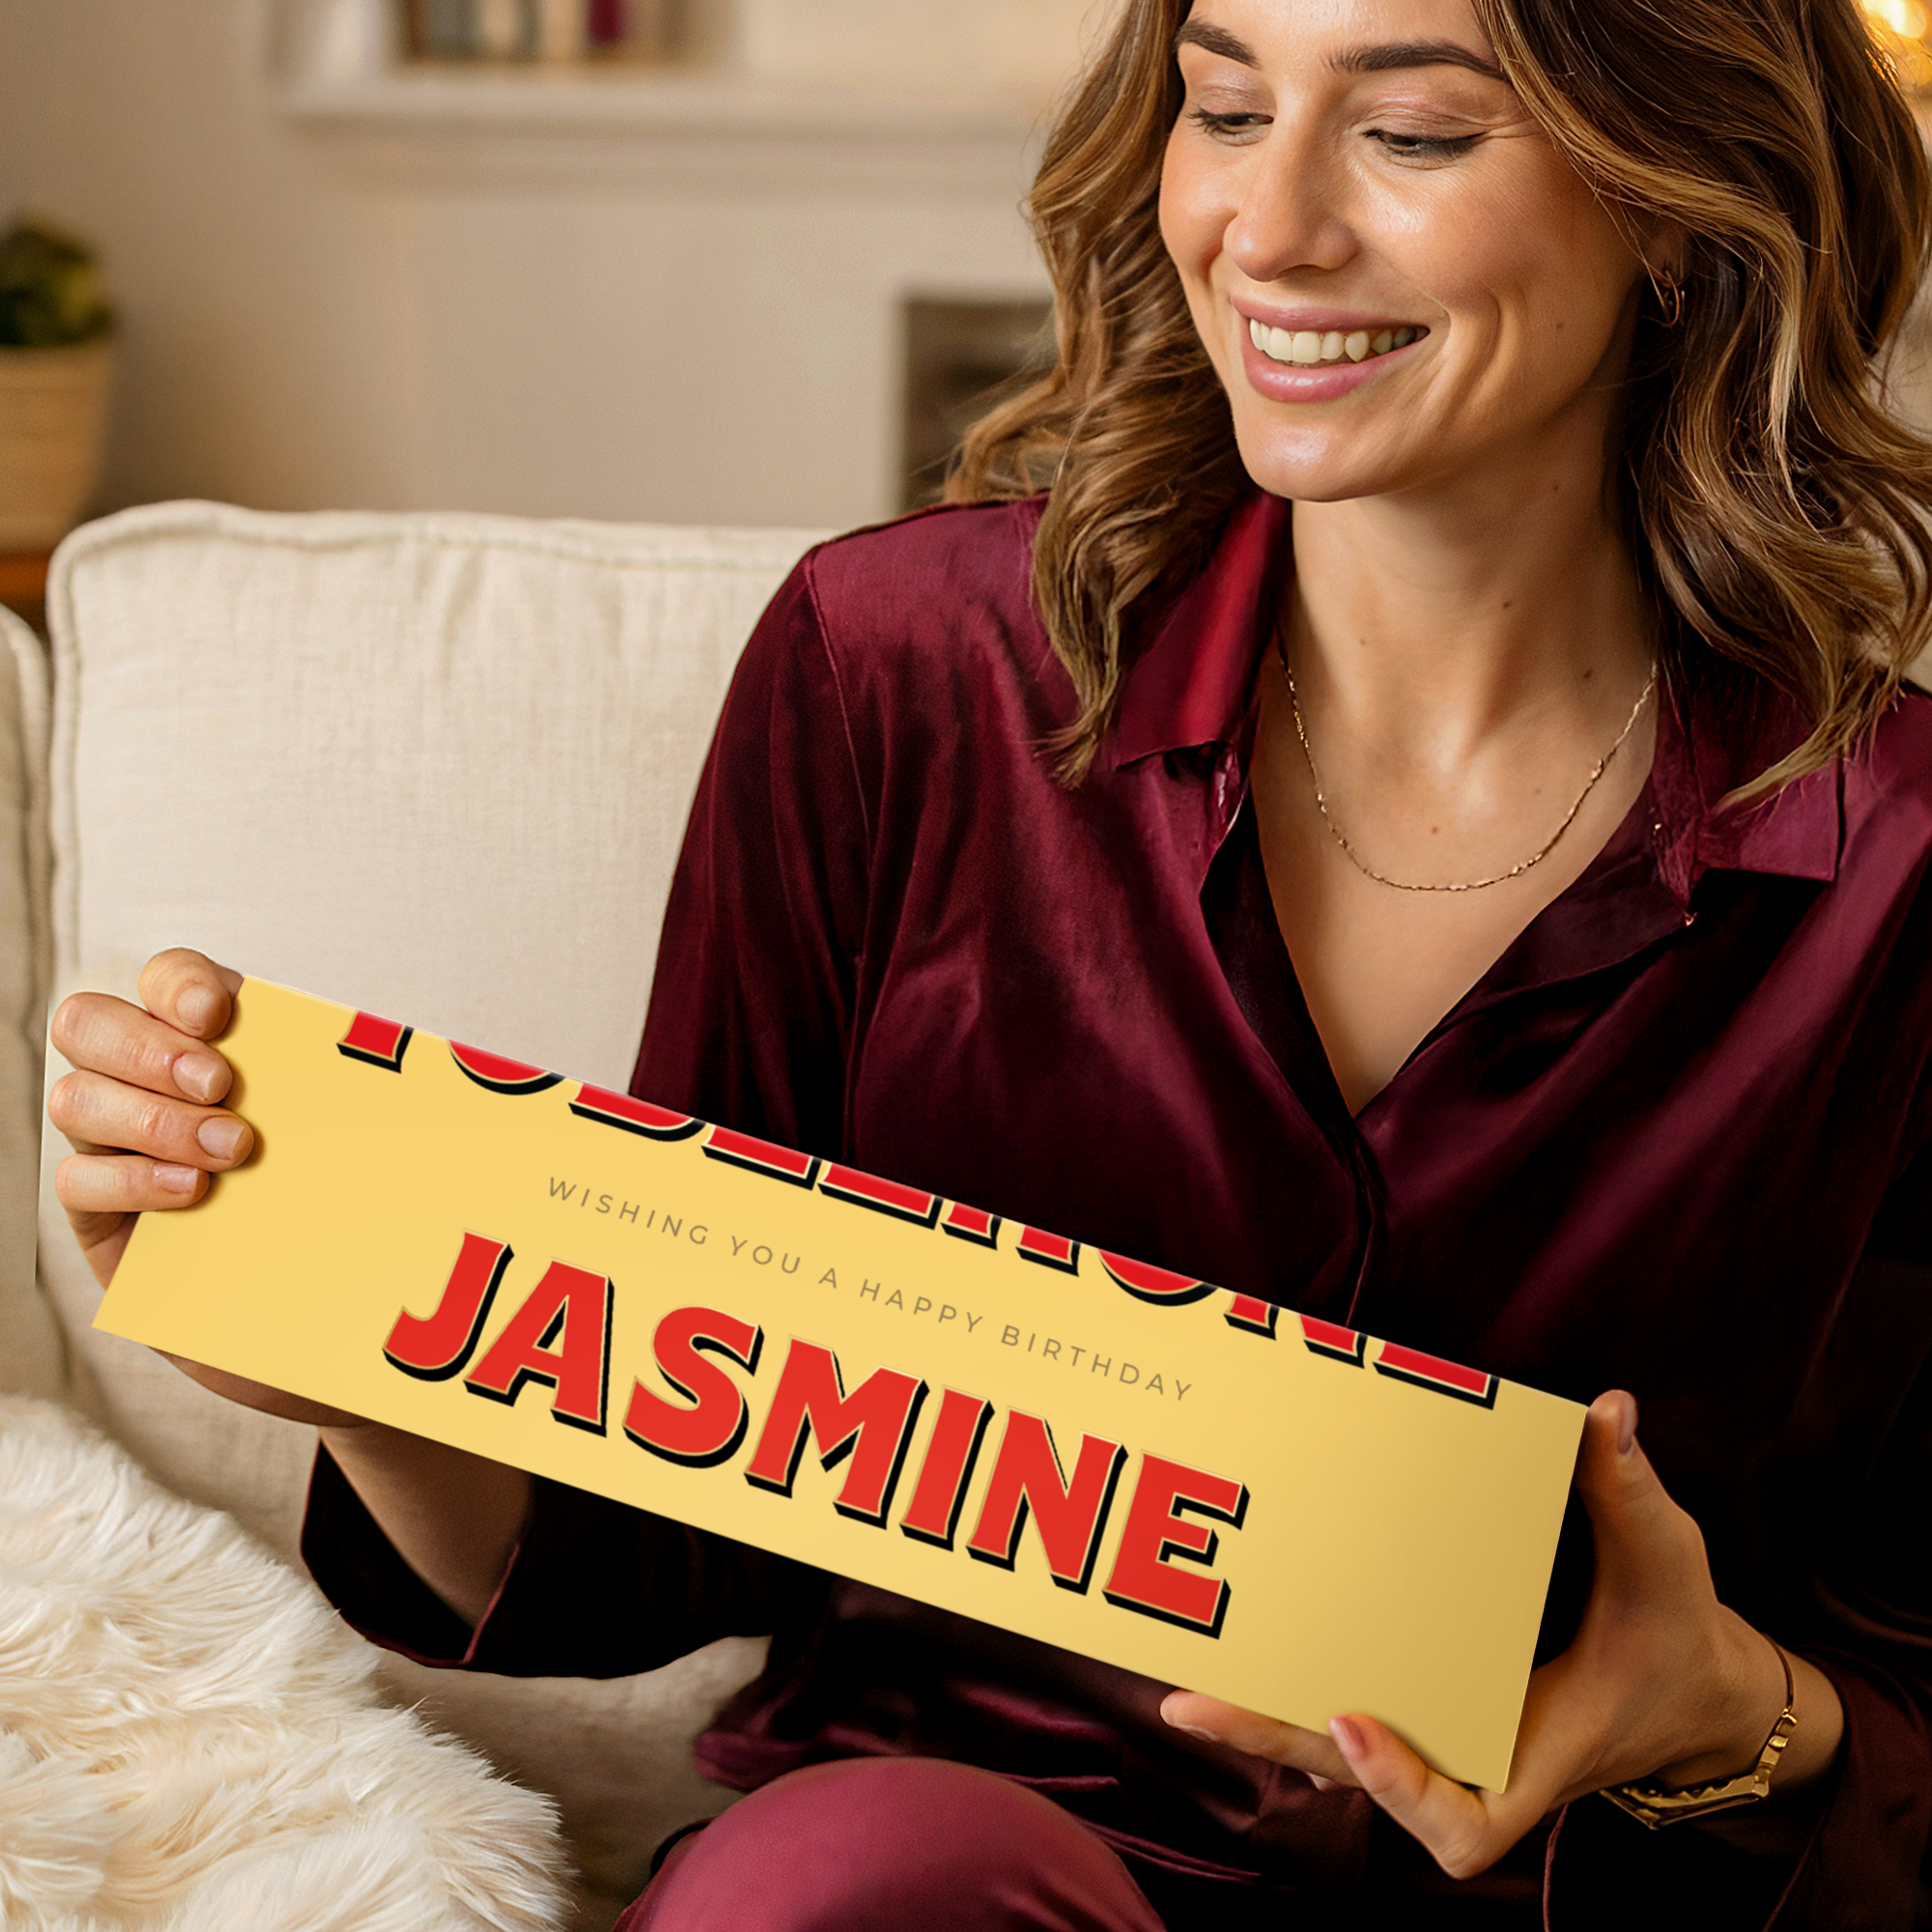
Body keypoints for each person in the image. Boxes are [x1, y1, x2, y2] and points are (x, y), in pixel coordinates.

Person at [46, 0, 1932, 1923]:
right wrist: (365, 1346)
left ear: (1687, 209)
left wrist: (1726, 1715)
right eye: (1222, 106)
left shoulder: (1904, 870)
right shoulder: (898, 677)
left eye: (1418, 134)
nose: (1265, 228)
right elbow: (673, 1528)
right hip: (970, 1862)